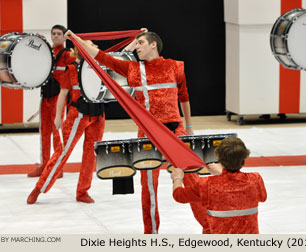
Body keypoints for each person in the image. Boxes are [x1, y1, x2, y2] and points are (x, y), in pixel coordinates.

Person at [64, 29, 208, 234]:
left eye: (140, 42)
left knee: (193, 181)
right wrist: (76, 39)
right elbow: (101, 56)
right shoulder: (132, 69)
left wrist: (190, 127)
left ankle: (209, 227)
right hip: (148, 135)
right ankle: (151, 234)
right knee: (149, 188)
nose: (136, 46)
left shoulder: (175, 66)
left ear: (153, 45)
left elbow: (184, 96)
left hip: (176, 132)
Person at [27, 41, 105, 204]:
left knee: (91, 154)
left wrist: (135, 40)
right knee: (62, 152)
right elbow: (62, 94)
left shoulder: (102, 66)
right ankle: (39, 188)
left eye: (94, 45)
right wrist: (58, 117)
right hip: (78, 115)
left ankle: (82, 191)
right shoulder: (71, 69)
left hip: (98, 115)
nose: (93, 47)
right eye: (88, 45)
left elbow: (122, 55)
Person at [171, 137, 267, 234]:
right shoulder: (254, 180)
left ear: (219, 158)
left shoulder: (207, 184)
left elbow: (179, 196)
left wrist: (177, 178)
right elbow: (262, 198)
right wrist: (221, 174)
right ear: (244, 158)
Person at [27, 24, 76, 178]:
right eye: (53, 33)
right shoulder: (46, 52)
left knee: (56, 132)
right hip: (45, 97)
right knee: (44, 132)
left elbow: (79, 61)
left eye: (58, 34)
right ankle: (44, 165)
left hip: (57, 99)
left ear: (64, 36)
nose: (55, 36)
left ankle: (56, 167)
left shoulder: (68, 54)